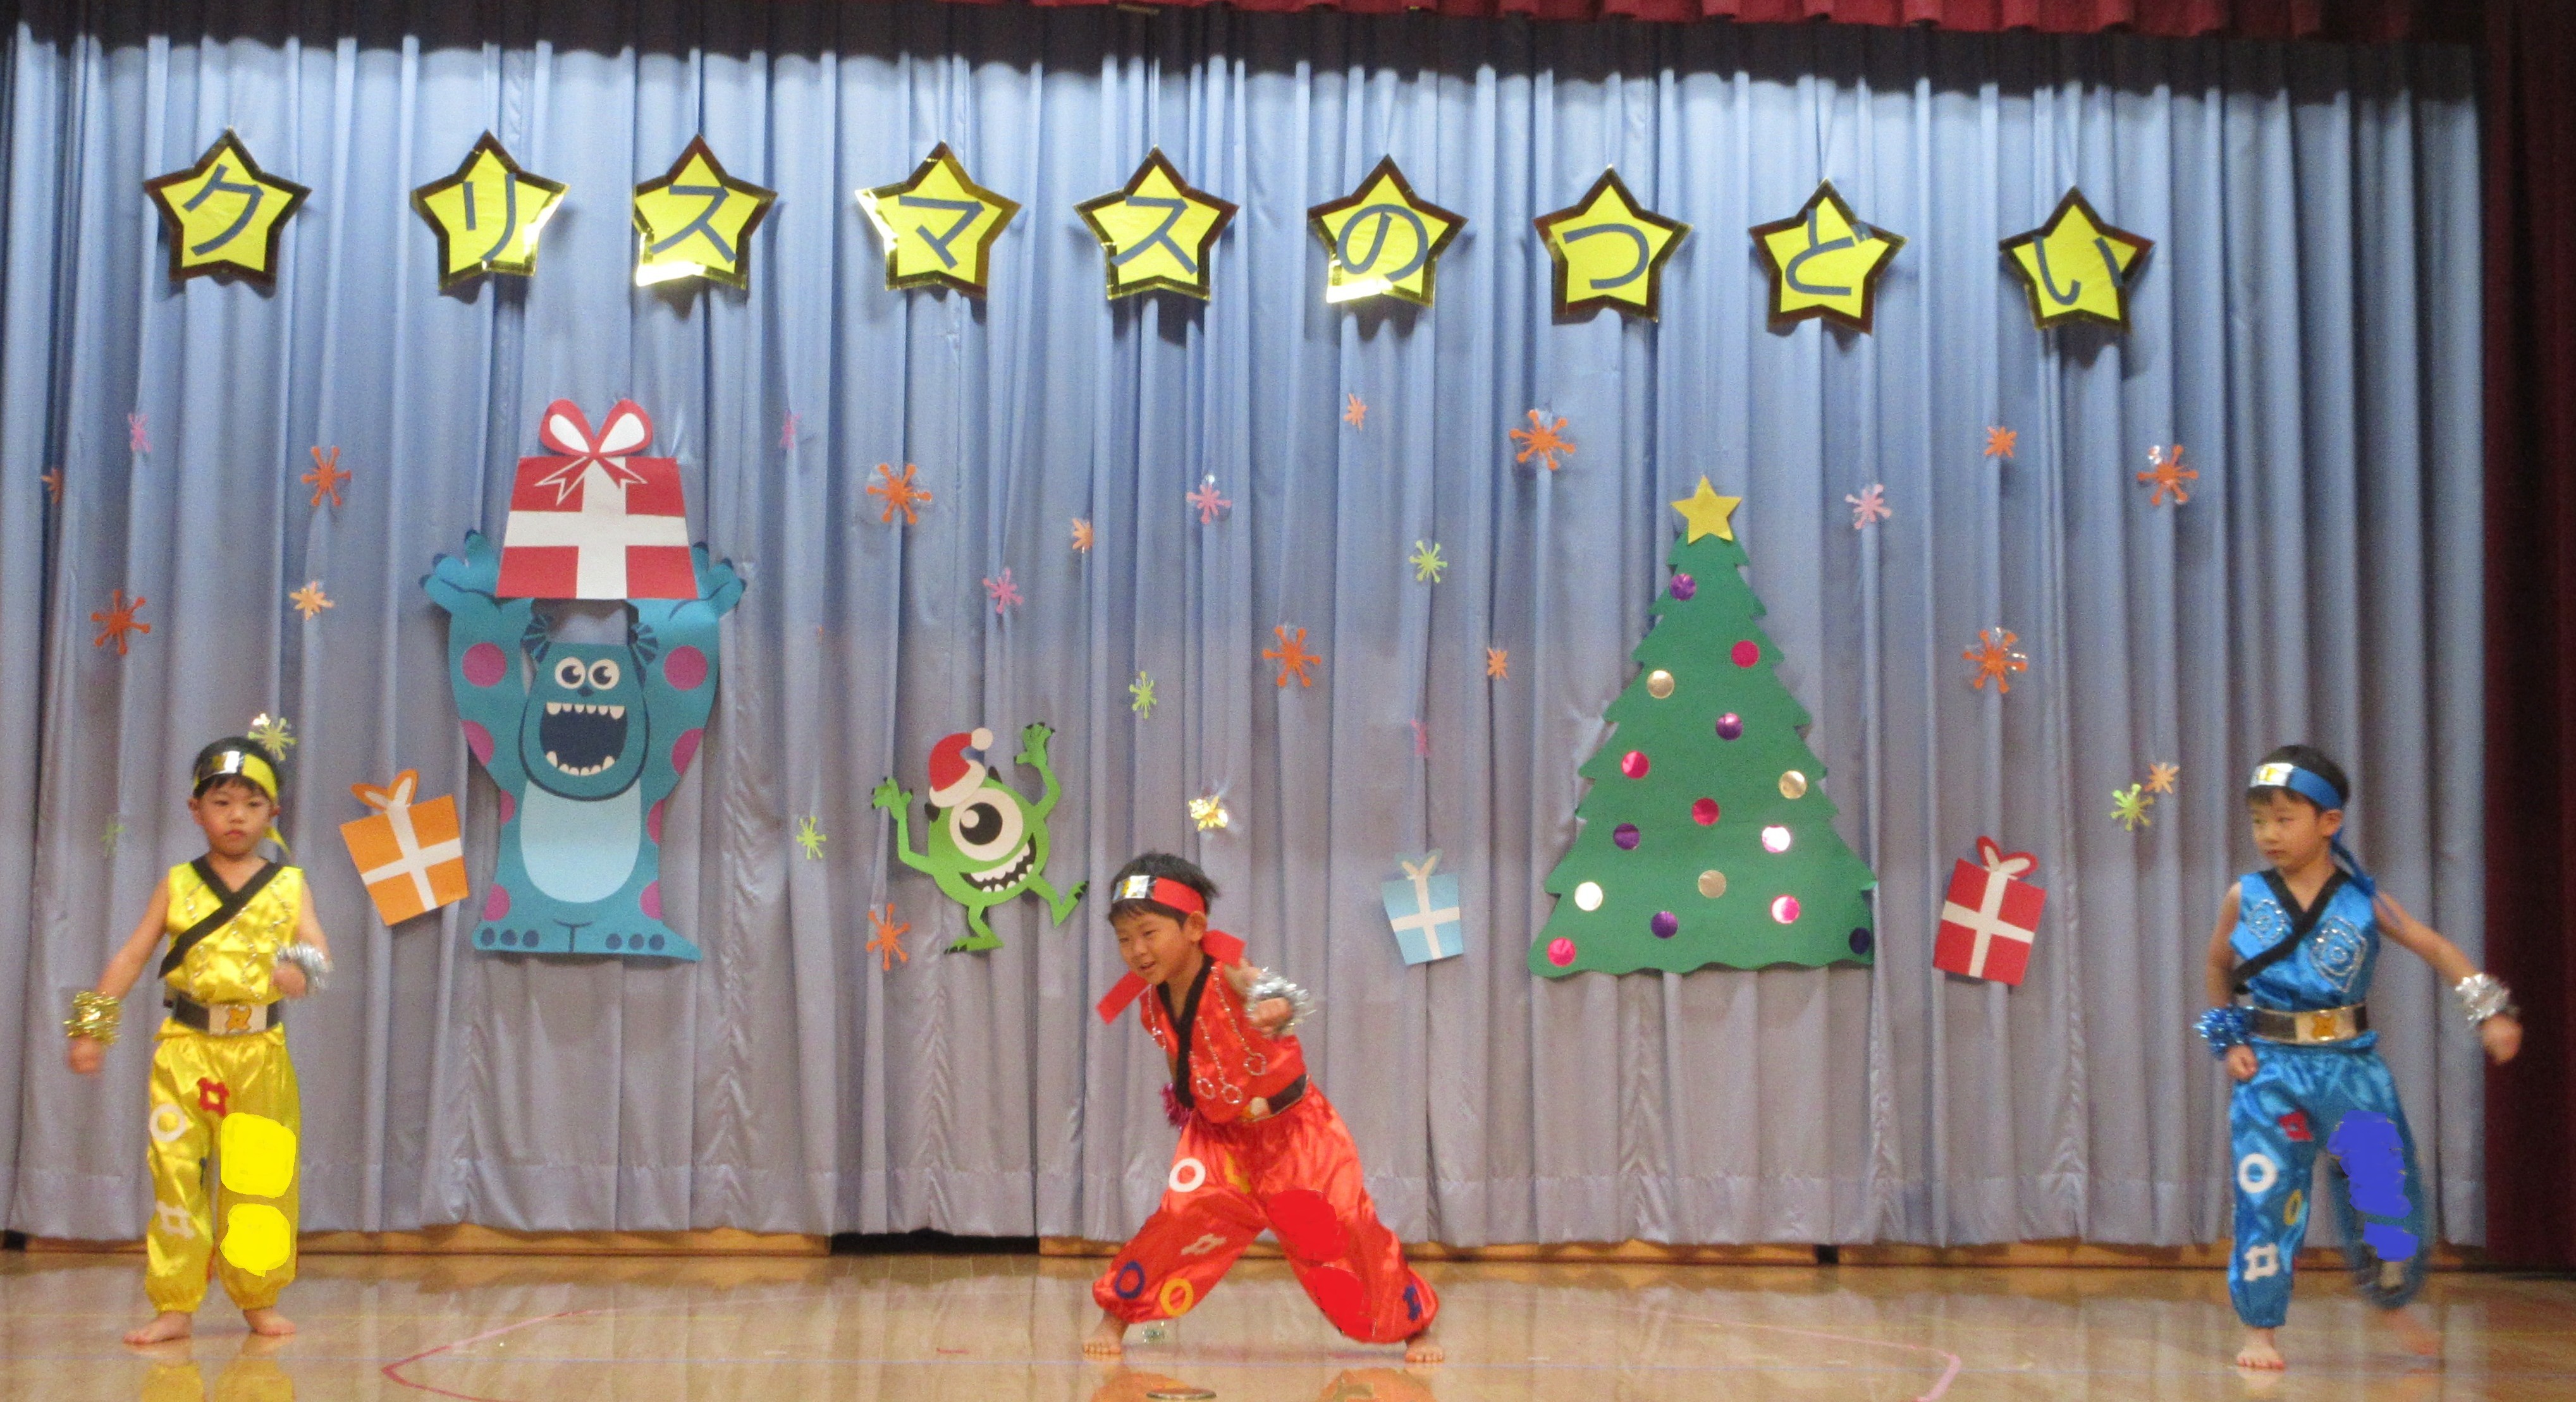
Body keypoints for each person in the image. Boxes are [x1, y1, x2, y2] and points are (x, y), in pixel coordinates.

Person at [2196, 746, 2522, 1371]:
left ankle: (2393, 1300)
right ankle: (2260, 1329)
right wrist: (2230, 1039)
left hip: (2351, 1070)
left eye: (2284, 819)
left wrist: (2491, 1013)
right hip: (2272, 1071)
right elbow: (2218, 964)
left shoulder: (2364, 901)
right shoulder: (2245, 895)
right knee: (2265, 1195)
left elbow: (2437, 949)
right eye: (2259, 821)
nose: (2269, 834)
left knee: (2383, 1190)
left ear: (2330, 822)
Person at [1081, 853, 1441, 1364]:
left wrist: (1273, 1003)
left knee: (1346, 1226)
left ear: (1194, 928)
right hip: (1220, 1140)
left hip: (1296, 1134)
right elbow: (1179, 1060)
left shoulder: (1226, 969)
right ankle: (1116, 1315)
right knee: (1176, 1219)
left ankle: (1414, 1326)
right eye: (1124, 939)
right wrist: (1188, 1104)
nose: (1136, 950)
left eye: (1148, 933)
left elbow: (1258, 984)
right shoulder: (1152, 1003)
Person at [65, 736, 334, 1345]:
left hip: (260, 1055)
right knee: (175, 1176)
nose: (236, 816)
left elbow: (318, 949)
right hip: (185, 1053)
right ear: (196, 810)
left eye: (252, 804)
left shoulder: (290, 885)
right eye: (221, 802)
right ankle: (175, 1305)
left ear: (273, 813)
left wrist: (302, 970)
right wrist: (91, 1030)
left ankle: (258, 1297)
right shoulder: (177, 883)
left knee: (260, 1180)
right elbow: (132, 956)